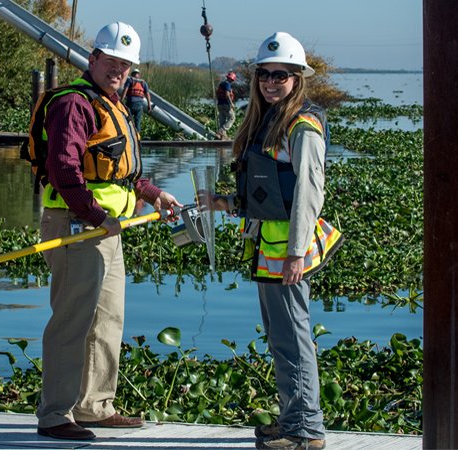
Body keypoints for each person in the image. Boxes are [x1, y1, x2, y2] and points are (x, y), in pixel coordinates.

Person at [33, 21, 182, 441]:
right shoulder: (75, 104)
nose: (118, 70)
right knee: (73, 320)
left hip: (106, 229)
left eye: (125, 65)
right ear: (92, 59)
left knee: (108, 319)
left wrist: (154, 194)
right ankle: (56, 414)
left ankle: (95, 406)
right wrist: (98, 217)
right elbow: (64, 170)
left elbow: (122, 172)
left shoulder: (112, 102)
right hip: (77, 226)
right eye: (111, 61)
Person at [211, 32, 342, 450]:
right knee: (281, 338)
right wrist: (223, 202)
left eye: (280, 75)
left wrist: (295, 254)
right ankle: (292, 419)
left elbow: (308, 192)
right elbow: (267, 193)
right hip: (270, 248)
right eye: (264, 74)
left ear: (297, 78)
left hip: (288, 253)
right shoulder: (267, 120)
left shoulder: (302, 126)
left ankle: (305, 431)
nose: (270, 82)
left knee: (293, 338)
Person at [216, 71, 237, 139]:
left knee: (222, 120)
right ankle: (222, 131)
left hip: (219, 105)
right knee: (232, 117)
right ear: (232, 79)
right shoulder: (227, 84)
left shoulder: (222, 83)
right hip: (225, 105)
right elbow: (227, 95)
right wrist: (231, 104)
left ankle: (222, 136)